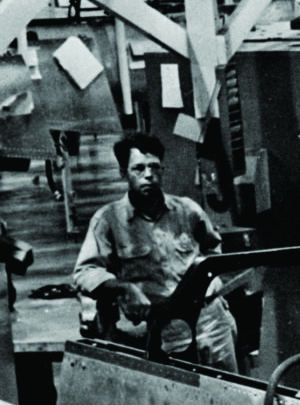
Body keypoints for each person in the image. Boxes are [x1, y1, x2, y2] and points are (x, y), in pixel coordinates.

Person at [72, 133, 238, 369]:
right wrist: (124, 288)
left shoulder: (188, 211)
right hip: (164, 331)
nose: (148, 175)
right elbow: (84, 272)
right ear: (123, 173)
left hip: (210, 323)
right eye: (138, 169)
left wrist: (210, 285)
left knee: (230, 396)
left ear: (162, 169)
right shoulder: (108, 220)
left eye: (154, 167)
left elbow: (214, 251)